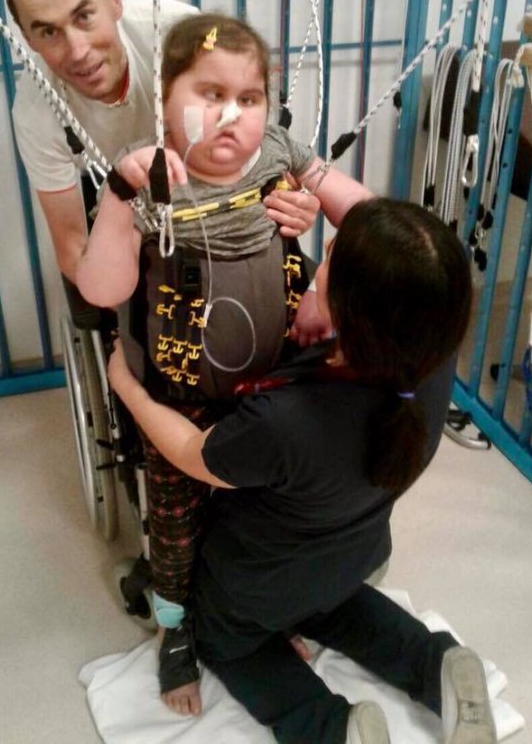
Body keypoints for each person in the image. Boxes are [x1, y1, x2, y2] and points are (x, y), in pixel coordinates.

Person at [108, 197, 497, 744]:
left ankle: (334, 728)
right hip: (353, 558)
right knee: (334, 606)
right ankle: (437, 665)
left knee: (226, 642)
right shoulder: (429, 368)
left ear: (349, 309)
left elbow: (192, 452)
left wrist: (128, 387)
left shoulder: (285, 421)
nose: (323, 252)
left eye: (332, 255)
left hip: (255, 585)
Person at [75, 12, 373, 712]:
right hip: (181, 390)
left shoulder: (278, 152)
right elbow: (102, 290)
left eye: (249, 97)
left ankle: (268, 602)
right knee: (176, 525)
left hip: (274, 385)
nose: (232, 116)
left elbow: (368, 218)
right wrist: (118, 199)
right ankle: (175, 627)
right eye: (210, 95)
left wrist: (328, 257)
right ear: (165, 102)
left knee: (267, 510)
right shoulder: (147, 175)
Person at [5, 0, 320, 283]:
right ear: (28, 40)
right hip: (122, 193)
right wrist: (113, 302)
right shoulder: (37, 112)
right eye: (49, 32)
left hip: (210, 191)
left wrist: (293, 200)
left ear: (113, 0)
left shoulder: (177, 33)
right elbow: (73, 249)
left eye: (84, 16)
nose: (78, 51)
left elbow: (258, 143)